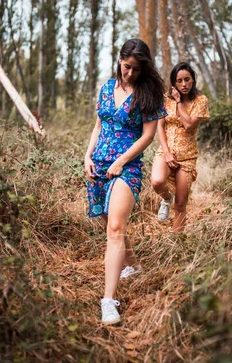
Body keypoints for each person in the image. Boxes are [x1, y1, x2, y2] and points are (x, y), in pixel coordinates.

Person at [84, 38, 166, 325]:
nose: (129, 73)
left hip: (127, 166)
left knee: (116, 227)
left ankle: (108, 300)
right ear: (119, 60)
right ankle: (132, 264)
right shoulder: (107, 87)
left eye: (135, 69)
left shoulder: (148, 95)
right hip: (99, 163)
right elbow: (98, 125)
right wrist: (87, 156)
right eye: (126, 66)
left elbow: (148, 136)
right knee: (110, 221)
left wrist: (121, 161)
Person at [150, 62, 210, 232]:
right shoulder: (164, 99)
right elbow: (160, 127)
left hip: (187, 156)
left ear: (193, 80)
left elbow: (189, 125)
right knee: (157, 181)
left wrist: (178, 103)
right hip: (166, 152)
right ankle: (166, 199)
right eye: (179, 81)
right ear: (173, 83)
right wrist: (167, 153)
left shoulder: (200, 100)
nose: (184, 84)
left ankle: (178, 244)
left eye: (187, 80)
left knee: (181, 203)